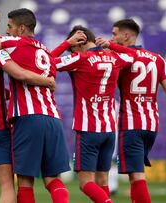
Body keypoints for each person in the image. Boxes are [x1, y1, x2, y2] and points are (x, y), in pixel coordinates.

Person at [0, 8, 78, 203]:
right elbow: (52, 59)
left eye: (9, 27)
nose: (6, 31)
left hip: (28, 119)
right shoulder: (44, 50)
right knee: (53, 179)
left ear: (22, 28)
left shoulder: (14, 43)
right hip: (53, 118)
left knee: (24, 182)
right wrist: (67, 44)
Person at [95, 19, 166, 203]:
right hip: (151, 126)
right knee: (135, 178)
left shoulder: (123, 58)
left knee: (136, 177)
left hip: (131, 125)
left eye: (114, 33)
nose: (112, 37)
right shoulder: (158, 59)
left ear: (126, 35)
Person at [52, 25, 133, 203]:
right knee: (102, 179)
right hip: (109, 129)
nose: (71, 51)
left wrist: (66, 44)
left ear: (78, 44)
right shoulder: (114, 57)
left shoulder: (80, 59)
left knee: (84, 183)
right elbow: (131, 57)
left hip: (88, 129)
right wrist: (111, 45)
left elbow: (46, 61)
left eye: (73, 47)